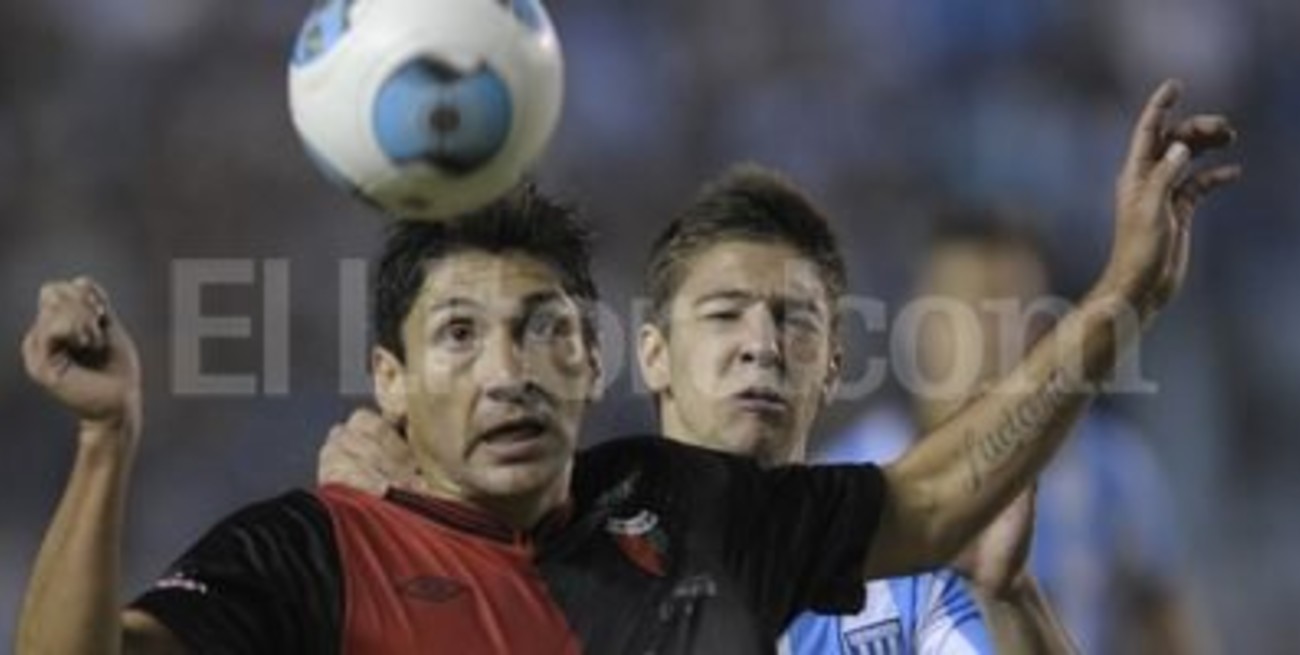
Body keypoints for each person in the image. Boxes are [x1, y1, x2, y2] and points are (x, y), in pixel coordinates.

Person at [16, 79, 1237, 654]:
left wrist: (1121, 295)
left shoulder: (690, 504)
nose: (508, 371)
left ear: (595, 356)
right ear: (389, 380)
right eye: (458, 336)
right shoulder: (314, 550)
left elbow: (928, 501)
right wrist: (104, 442)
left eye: (542, 328)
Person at [325, 165, 1075, 654]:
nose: (762, 346)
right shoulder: (552, 551)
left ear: (833, 365)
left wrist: (1010, 598)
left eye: (793, 320)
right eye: (724, 314)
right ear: (654, 355)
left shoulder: (911, 583)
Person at [817, 213, 1210, 654]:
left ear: (1045, 331)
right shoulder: (842, 484)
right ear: (919, 329)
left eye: (1012, 312)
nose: (987, 339)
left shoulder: (1111, 471)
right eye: (965, 312)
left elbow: (1172, 632)